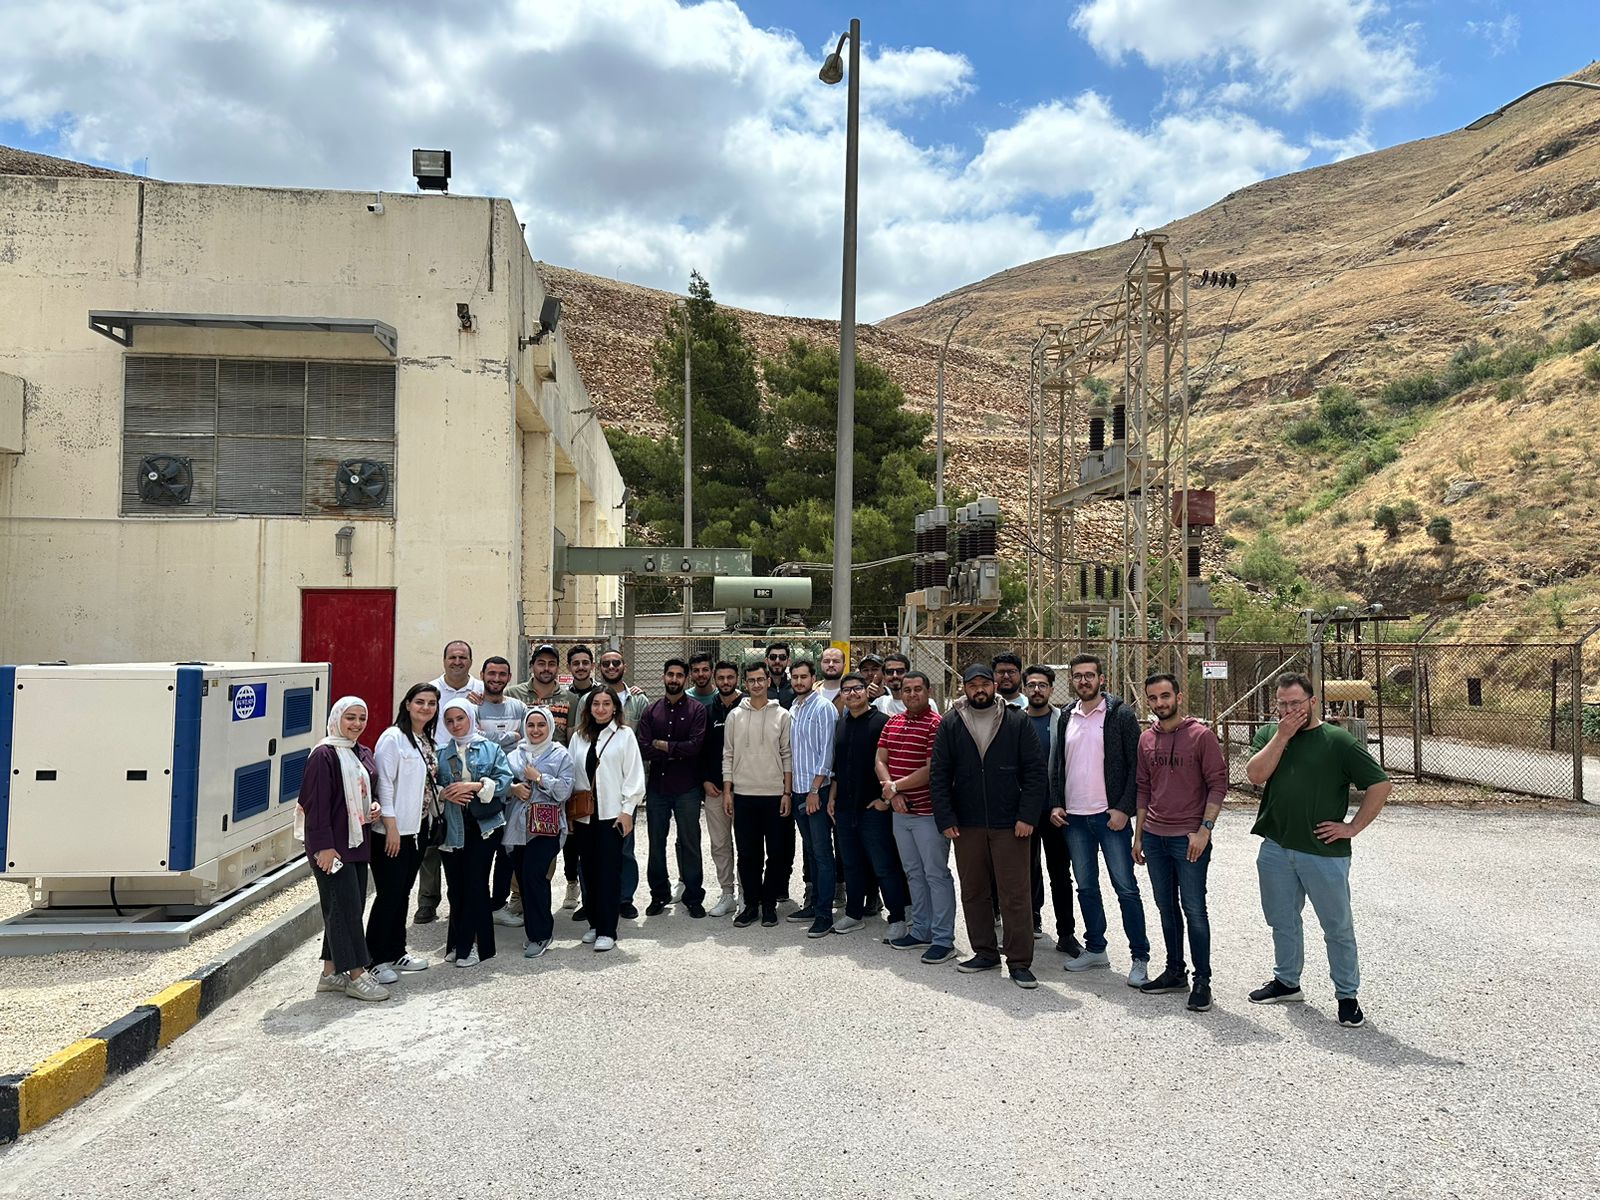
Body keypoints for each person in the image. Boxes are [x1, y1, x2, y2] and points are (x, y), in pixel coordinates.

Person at [1245, 672, 1391, 1028]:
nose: (1289, 710)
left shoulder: (1338, 741)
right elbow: (1255, 775)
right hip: (1277, 847)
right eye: (1282, 704)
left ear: (1313, 702)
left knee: (1337, 926)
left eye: (1296, 703)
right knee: (1282, 919)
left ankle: (1347, 996)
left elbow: (1380, 784)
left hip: (1323, 852)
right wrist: (1282, 736)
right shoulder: (1270, 734)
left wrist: (1352, 827)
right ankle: (1287, 982)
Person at [930, 665, 1047, 988]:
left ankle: (1020, 961)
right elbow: (940, 773)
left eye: (984, 683)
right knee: (974, 891)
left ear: (994, 685)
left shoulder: (1016, 720)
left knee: (1015, 894)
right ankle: (984, 952)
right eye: (973, 685)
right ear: (964, 687)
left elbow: (1035, 772)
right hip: (966, 824)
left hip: (1010, 823)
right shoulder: (952, 722)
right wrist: (946, 818)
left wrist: (1027, 817)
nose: (979, 689)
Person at [1050, 654, 1151, 986]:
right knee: (1086, 887)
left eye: (1089, 675)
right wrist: (1057, 803)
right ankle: (1095, 948)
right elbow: (1058, 764)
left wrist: (1123, 808)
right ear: (1072, 680)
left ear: (1101, 679)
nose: (1083, 681)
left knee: (1126, 888)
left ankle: (1140, 957)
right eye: (1078, 676)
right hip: (1075, 819)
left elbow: (1137, 767)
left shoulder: (1120, 715)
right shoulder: (1067, 715)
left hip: (1110, 818)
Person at [1133, 672, 1227, 1013]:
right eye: (1153, 698)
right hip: (1155, 837)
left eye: (1165, 696)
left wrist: (1204, 831)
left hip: (1188, 839)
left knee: (1194, 909)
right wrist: (1138, 835)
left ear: (1179, 697)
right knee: (1166, 907)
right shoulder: (1146, 739)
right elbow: (1143, 788)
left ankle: (1202, 981)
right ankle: (1175, 971)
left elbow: (1218, 784)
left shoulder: (1201, 736)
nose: (1160, 703)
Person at [304, 696, 387, 1001]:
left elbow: (367, 790)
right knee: (346, 909)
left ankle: (330, 974)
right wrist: (324, 847)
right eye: (350, 717)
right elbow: (315, 805)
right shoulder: (323, 755)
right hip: (332, 847)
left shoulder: (360, 752)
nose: (357, 724)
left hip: (357, 841)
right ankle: (356, 974)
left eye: (362, 718)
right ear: (336, 718)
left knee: (346, 908)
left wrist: (373, 806)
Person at [877, 671, 955, 964]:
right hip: (901, 813)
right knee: (913, 873)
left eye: (917, 689)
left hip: (927, 814)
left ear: (928, 691)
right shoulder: (893, 722)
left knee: (936, 874)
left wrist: (896, 787)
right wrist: (892, 792)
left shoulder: (936, 724)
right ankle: (921, 930)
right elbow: (880, 759)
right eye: (907, 689)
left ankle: (943, 939)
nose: (911, 694)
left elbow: (931, 769)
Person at [367, 684, 441, 981]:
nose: (426, 707)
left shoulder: (426, 740)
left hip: (418, 829)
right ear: (407, 704)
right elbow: (384, 784)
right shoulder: (393, 738)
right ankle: (374, 959)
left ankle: (396, 951)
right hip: (392, 832)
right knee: (389, 894)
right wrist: (391, 828)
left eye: (431, 703)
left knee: (403, 893)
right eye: (420, 702)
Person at [830, 673, 909, 941]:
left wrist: (885, 801)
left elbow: (894, 764)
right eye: (846, 690)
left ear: (867, 691)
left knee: (884, 865)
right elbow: (839, 767)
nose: (852, 694)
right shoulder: (841, 725)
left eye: (857, 688)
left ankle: (898, 917)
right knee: (851, 863)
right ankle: (854, 913)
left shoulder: (883, 723)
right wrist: (833, 798)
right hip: (844, 808)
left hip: (874, 809)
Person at [568, 686, 646, 951]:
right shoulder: (579, 737)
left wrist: (628, 810)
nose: (600, 709)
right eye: (596, 704)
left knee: (609, 872)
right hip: (584, 815)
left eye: (606, 704)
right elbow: (571, 773)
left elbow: (634, 775)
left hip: (612, 815)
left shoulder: (624, 735)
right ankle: (594, 923)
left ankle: (607, 930)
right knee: (588, 871)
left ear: (615, 708)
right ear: (589, 708)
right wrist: (569, 812)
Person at [435, 698, 511, 967]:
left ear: (470, 718)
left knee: (476, 885)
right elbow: (431, 787)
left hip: (484, 826)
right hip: (452, 827)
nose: (455, 725)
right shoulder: (441, 753)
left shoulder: (491, 749)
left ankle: (477, 946)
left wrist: (475, 786)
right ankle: (458, 944)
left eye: (460, 718)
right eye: (449, 721)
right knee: (456, 887)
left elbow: (505, 782)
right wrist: (445, 793)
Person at [722, 662, 793, 929]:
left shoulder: (782, 715)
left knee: (777, 853)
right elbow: (728, 755)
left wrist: (787, 792)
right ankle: (751, 905)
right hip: (744, 794)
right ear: (745, 683)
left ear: (768, 681)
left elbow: (787, 755)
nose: (756, 684)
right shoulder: (734, 716)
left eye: (760, 679)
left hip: (774, 794)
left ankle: (769, 904)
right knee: (748, 854)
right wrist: (728, 791)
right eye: (751, 680)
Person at [638, 658, 710, 919]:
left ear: (685, 679)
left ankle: (693, 896)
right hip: (658, 788)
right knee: (656, 843)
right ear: (664, 677)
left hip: (687, 788)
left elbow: (695, 747)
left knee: (690, 842)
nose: (674, 679)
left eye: (680, 675)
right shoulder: (651, 710)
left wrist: (664, 746)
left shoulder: (697, 710)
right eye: (670, 674)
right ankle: (659, 894)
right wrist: (677, 749)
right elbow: (643, 747)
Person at [416, 639, 481, 924]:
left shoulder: (480, 690)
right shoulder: (431, 690)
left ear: (470, 661)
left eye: (462, 657)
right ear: (444, 660)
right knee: (433, 837)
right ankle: (427, 900)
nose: (457, 662)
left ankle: (466, 900)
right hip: (436, 768)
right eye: (452, 657)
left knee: (468, 840)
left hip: (469, 771)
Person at [504, 707, 575, 958]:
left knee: (535, 875)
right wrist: (513, 788)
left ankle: (541, 934)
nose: (535, 730)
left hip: (546, 827)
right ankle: (533, 931)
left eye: (541, 725)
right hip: (517, 827)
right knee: (524, 878)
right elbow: (502, 784)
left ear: (550, 727)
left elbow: (565, 790)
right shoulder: (515, 755)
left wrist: (539, 778)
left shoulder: (560, 754)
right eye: (531, 725)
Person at [1022, 664, 1080, 955]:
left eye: (1042, 685)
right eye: (1032, 685)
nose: (1037, 690)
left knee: (1060, 873)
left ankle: (1066, 934)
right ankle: (1027, 926)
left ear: (1051, 689)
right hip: (1025, 812)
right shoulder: (1015, 722)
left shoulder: (1063, 722)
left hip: (1056, 810)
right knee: (1024, 871)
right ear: (1025, 689)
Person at [477, 655, 531, 928]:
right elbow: (475, 741)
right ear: (482, 675)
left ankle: (498, 905)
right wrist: (510, 736)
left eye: (502, 674)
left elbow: (528, 740)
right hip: (481, 791)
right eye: (491, 673)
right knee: (480, 852)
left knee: (506, 851)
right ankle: (476, 905)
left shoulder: (519, 707)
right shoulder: (472, 707)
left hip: (513, 791)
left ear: (509, 678)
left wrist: (495, 740)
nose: (496, 679)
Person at [594, 648, 647, 919]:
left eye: (616, 662)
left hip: (623, 789)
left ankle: (624, 898)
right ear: (599, 667)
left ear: (624, 665)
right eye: (606, 663)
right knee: (591, 851)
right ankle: (592, 900)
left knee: (624, 847)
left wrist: (632, 797)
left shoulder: (638, 700)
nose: (611, 666)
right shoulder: (590, 699)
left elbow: (644, 742)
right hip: (592, 794)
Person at [786, 659, 836, 932]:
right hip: (798, 792)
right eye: (794, 677)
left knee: (822, 852)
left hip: (816, 791)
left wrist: (816, 790)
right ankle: (814, 904)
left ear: (812, 678)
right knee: (811, 851)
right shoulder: (794, 708)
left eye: (803, 676)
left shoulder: (823, 708)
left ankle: (825, 914)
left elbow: (827, 752)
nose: (798, 681)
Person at [698, 660, 743, 917]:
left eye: (730, 677)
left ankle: (747, 894)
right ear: (715, 679)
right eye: (721, 678)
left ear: (737, 678)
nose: (726, 682)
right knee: (720, 844)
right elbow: (701, 750)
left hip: (744, 789)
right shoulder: (707, 711)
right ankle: (727, 894)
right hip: (714, 789)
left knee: (746, 843)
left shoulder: (748, 707)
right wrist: (705, 780)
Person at [557, 644, 597, 909]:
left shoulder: (601, 693)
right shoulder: (565, 696)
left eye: (585, 662)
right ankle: (572, 883)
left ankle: (594, 889)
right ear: (569, 667)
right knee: (571, 833)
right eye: (576, 663)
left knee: (593, 836)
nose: (581, 667)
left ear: (592, 665)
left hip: (596, 772)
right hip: (568, 771)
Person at [507, 643, 571, 742]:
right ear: (532, 666)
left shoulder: (570, 698)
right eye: (541, 664)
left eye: (551, 664)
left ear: (558, 668)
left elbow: (572, 739)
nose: (546, 668)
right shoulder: (512, 694)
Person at [872, 652, 940, 717]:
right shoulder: (880, 703)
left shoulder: (925, 703)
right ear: (884, 676)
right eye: (890, 672)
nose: (895, 675)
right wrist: (867, 695)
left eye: (900, 671)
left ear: (908, 673)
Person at [765, 642, 796, 709]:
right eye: (773, 657)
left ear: (788, 661)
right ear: (766, 661)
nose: (777, 661)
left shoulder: (795, 687)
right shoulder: (760, 687)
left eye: (782, 657)